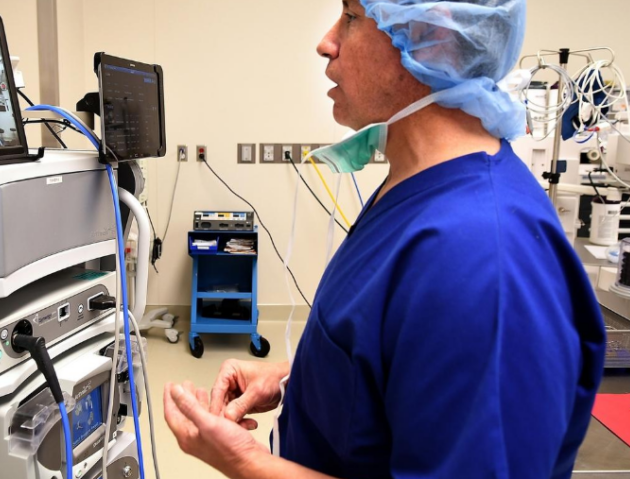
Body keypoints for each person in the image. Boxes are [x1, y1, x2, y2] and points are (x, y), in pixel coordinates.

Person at [164, 1, 606, 478]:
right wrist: (298, 377)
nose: (326, 42)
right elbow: (395, 355)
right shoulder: (414, 185)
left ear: (432, 34)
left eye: (351, 17)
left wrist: (243, 461)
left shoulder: (481, 258)